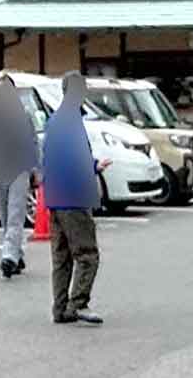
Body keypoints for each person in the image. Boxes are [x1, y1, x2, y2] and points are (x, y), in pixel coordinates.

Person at [42, 71, 110, 325]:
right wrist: (92, 166)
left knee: (61, 257)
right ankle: (79, 303)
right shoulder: (71, 121)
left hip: (55, 196)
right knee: (87, 253)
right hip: (74, 196)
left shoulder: (54, 120)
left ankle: (60, 308)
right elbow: (74, 159)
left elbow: (51, 157)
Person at [0, 73, 40, 279]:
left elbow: (33, 143)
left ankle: (8, 257)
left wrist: (35, 170)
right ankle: (16, 254)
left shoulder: (24, 115)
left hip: (19, 170)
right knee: (4, 215)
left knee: (15, 214)